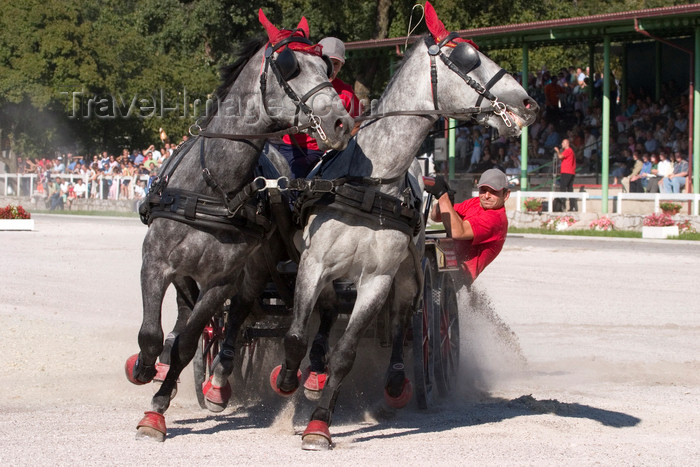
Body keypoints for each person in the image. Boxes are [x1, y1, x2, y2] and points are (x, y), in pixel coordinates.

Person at [277, 37, 361, 178]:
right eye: (327, 62)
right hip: (289, 147)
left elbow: (357, 123)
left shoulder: (346, 93)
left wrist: (338, 147)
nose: (332, 69)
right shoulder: (299, 85)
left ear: (342, 65)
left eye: (336, 64)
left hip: (322, 153)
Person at [425, 169, 510, 285]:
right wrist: (443, 200)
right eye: (483, 190)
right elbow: (436, 217)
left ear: (506, 195)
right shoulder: (475, 203)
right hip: (446, 263)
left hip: (458, 278)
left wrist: (443, 197)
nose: (486, 196)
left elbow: (458, 232)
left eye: (494, 192)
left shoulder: (496, 220)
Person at [554, 138, 577, 211]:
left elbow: (560, 156)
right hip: (570, 172)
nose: (562, 144)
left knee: (563, 188)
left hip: (567, 172)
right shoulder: (570, 151)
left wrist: (557, 151)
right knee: (570, 189)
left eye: (563, 143)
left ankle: (562, 206)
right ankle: (572, 206)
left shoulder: (568, 150)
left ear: (567, 144)